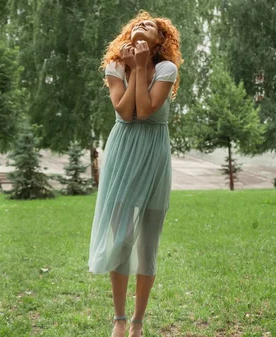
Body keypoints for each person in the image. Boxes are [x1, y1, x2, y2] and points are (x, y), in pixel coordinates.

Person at [88, 10, 182, 337]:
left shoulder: (166, 69)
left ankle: (138, 322)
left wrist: (142, 68)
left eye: (150, 26)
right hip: (123, 154)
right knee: (122, 237)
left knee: (148, 244)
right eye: (137, 24)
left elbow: (146, 109)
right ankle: (118, 318)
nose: (141, 26)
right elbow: (126, 114)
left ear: (159, 41)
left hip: (154, 155)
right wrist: (134, 69)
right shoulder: (115, 66)